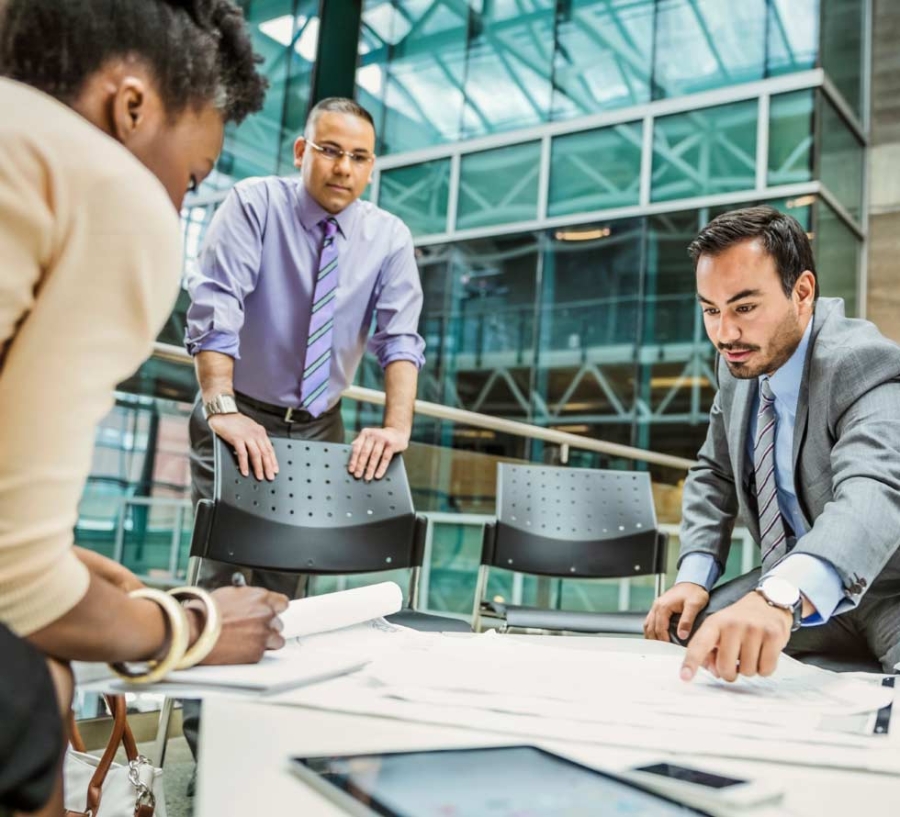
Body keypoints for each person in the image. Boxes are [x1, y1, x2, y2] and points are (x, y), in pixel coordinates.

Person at [0, 2, 290, 813]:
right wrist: (191, 623)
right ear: (130, 108)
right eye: (192, 180)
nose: (175, 208)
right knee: (36, 685)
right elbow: (21, 589)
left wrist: (55, 561)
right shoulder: (107, 187)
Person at [643, 205, 900, 681]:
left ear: (802, 293)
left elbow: (874, 491)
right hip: (792, 587)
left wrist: (779, 596)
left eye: (744, 307)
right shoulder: (739, 363)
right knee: (689, 637)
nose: (725, 333)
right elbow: (713, 472)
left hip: (890, 587)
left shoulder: (862, 364)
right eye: (711, 311)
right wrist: (694, 576)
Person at [183, 95, 425, 597]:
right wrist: (221, 407)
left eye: (358, 157)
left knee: (288, 583)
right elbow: (217, 305)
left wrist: (396, 427)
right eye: (330, 150)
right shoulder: (255, 204)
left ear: (371, 166)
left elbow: (400, 339)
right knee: (223, 572)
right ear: (301, 151)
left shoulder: (389, 238)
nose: (343, 168)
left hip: (318, 427)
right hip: (236, 413)